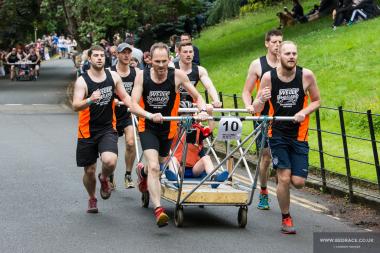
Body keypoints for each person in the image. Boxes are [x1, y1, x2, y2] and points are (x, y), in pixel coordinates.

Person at [130, 42, 208, 227]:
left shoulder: (177, 76)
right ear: (150, 61)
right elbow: (133, 105)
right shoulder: (142, 76)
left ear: (169, 59)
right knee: (155, 166)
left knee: (160, 163)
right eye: (157, 61)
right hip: (147, 125)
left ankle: (142, 172)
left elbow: (197, 96)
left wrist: (203, 109)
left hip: (168, 128)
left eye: (164, 61)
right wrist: (150, 115)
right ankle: (159, 210)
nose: (161, 65)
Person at [253, 41, 321, 234]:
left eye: (294, 53)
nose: (291, 57)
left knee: (298, 182)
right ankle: (286, 218)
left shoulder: (306, 75)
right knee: (284, 178)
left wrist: (304, 112)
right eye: (287, 54)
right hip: (277, 134)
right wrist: (261, 99)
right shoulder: (269, 77)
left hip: (299, 134)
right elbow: (257, 109)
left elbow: (317, 100)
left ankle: (284, 184)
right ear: (279, 56)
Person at [72, 45, 132, 213]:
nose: (99, 58)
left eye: (102, 55)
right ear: (89, 59)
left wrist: (138, 110)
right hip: (87, 131)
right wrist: (90, 99)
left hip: (107, 128)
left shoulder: (113, 76)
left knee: (110, 161)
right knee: (89, 170)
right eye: (96, 56)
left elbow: (125, 96)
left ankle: (104, 177)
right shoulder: (82, 81)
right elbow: (76, 105)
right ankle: (92, 198)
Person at [242, 29, 283, 210]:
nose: (277, 45)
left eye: (280, 42)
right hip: (263, 116)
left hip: (282, 116)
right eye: (274, 42)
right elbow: (246, 91)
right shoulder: (257, 65)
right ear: (267, 43)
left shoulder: (287, 63)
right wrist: (249, 105)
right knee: (265, 157)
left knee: (281, 156)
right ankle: (264, 192)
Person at [165, 101, 228, 187]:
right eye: (183, 114)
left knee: (206, 158)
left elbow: (211, 128)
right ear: (178, 115)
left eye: (189, 114)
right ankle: (175, 179)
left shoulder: (197, 128)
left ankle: (214, 179)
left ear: (192, 115)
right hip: (178, 167)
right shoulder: (172, 129)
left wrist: (209, 112)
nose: (186, 117)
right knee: (172, 159)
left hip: (194, 168)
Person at [108, 43, 141, 189]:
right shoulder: (110, 72)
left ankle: (128, 175)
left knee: (131, 143)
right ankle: (110, 175)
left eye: (129, 52)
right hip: (111, 115)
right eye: (123, 53)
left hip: (128, 114)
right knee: (111, 148)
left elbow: (142, 91)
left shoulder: (137, 72)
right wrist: (111, 99)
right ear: (117, 55)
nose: (127, 55)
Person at [173, 42, 222, 107]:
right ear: (179, 53)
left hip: (193, 104)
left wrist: (216, 100)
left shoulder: (200, 70)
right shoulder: (172, 69)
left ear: (193, 53)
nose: (188, 55)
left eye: (190, 52)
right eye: (185, 52)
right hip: (174, 103)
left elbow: (209, 87)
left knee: (208, 109)